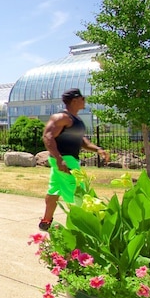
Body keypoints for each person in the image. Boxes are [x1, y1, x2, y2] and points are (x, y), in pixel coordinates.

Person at [38, 88, 108, 231]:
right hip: (65, 159)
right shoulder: (61, 117)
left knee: (54, 190)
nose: (85, 101)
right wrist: (59, 159)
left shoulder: (76, 120)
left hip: (65, 159)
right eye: (83, 98)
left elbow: (83, 141)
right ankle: (83, 226)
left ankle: (46, 221)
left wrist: (98, 149)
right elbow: (48, 136)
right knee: (78, 192)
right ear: (75, 100)